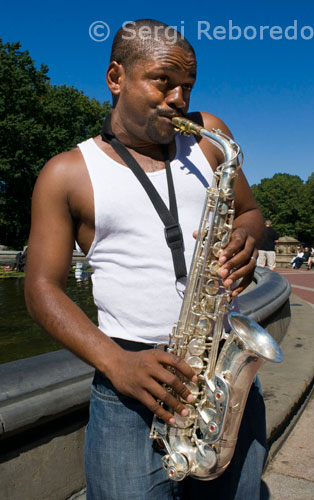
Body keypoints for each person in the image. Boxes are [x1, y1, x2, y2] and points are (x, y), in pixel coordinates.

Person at [25, 20, 267, 500]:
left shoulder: (209, 137)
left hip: (220, 373)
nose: (179, 98)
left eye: (188, 86)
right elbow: (40, 288)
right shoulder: (66, 173)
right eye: (164, 81)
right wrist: (116, 363)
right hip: (129, 385)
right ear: (116, 77)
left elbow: (252, 210)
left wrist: (246, 234)